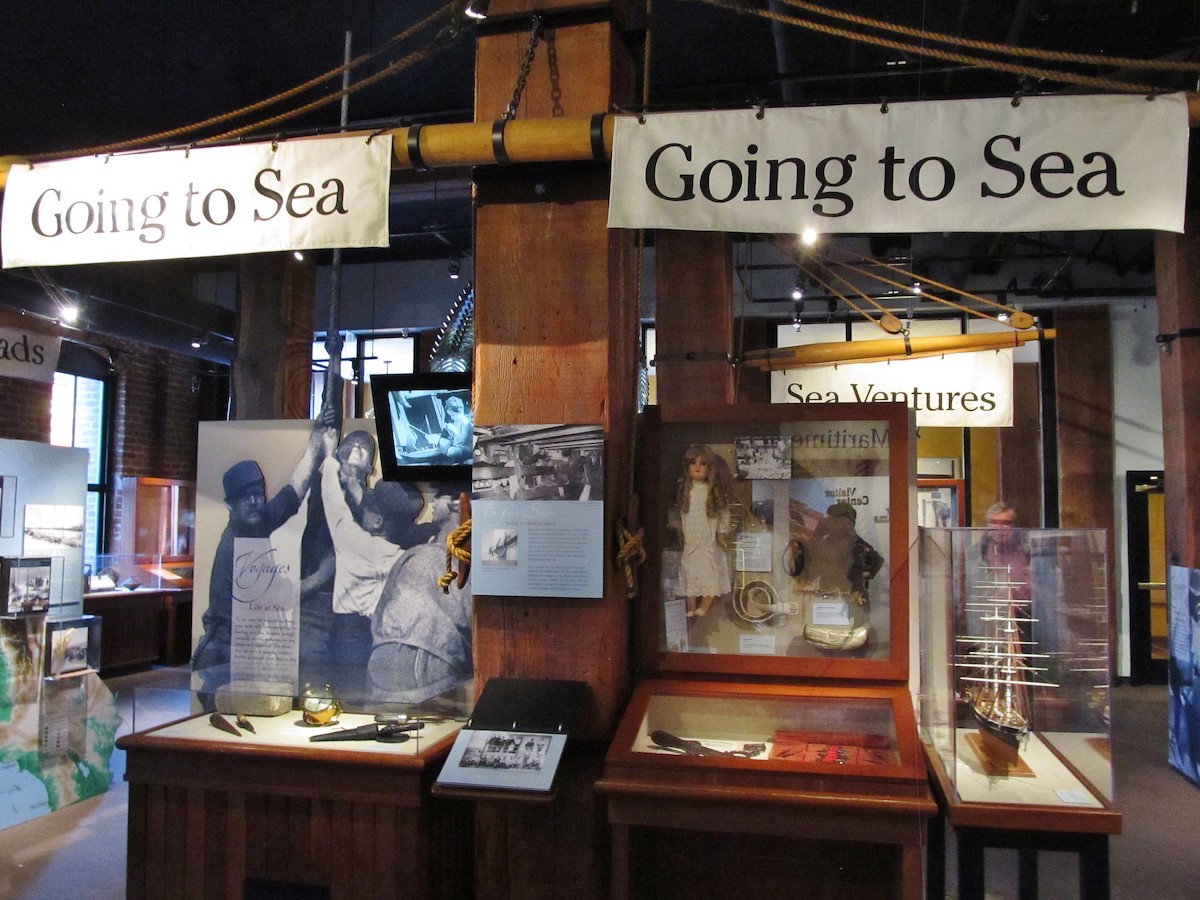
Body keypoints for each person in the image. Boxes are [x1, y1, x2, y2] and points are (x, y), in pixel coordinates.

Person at [191, 426, 326, 701]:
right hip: (226, 655)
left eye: (258, 494)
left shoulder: (256, 521)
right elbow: (282, 596)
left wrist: (317, 436)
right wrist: (325, 573)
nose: (254, 502)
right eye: (245, 498)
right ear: (231, 505)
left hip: (243, 648)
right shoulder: (236, 545)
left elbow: (294, 493)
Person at [367, 488, 473, 705]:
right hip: (418, 659)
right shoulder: (418, 550)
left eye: (441, 496)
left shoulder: (420, 555)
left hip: (408, 659)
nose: (434, 502)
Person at [671, 444, 734, 618]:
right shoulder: (685, 492)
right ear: (687, 467)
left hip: (708, 543)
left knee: (710, 576)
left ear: (710, 468)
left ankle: (704, 607)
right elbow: (679, 515)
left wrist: (721, 533)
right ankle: (690, 607)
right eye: (693, 463)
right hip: (691, 543)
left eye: (703, 463)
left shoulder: (711, 492)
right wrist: (679, 531)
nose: (698, 467)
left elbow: (723, 513)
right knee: (690, 575)